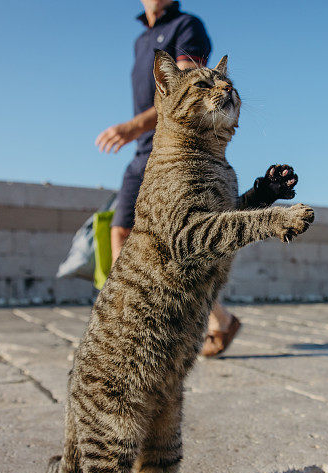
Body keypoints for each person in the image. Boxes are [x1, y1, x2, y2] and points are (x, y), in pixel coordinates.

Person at [95, 0, 240, 357]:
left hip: (175, 144)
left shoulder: (186, 26)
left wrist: (130, 127)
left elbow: (188, 90)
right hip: (146, 147)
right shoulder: (141, 38)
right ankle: (215, 319)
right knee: (123, 231)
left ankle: (140, 327)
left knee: (159, 237)